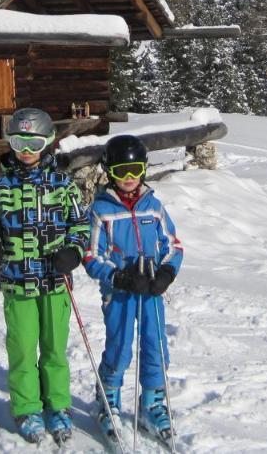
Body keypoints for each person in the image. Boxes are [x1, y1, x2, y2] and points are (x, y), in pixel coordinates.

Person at [0, 107, 90, 444]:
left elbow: (81, 224)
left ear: (49, 142)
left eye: (34, 143)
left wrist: (73, 251)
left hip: (55, 281)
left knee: (55, 348)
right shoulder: (1, 186)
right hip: (17, 280)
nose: (26, 151)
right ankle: (27, 406)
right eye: (18, 142)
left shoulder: (63, 184)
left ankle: (57, 405)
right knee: (23, 348)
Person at [83, 134, 184, 444]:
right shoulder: (101, 210)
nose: (128, 179)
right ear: (108, 172)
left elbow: (173, 244)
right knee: (120, 345)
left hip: (152, 287)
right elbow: (91, 256)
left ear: (144, 169)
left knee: (156, 344)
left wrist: (166, 272)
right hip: (121, 291)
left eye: (135, 170)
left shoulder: (153, 206)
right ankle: (108, 400)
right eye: (120, 172)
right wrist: (119, 277)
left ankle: (152, 403)